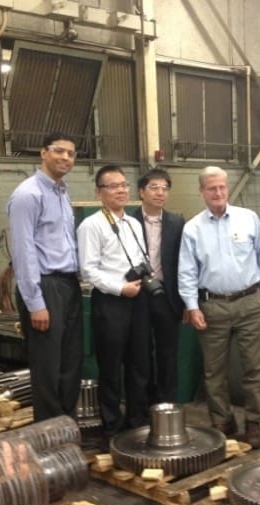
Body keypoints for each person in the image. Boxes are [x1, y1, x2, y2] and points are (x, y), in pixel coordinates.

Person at [178, 165, 260, 449]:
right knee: (214, 370)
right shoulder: (192, 228)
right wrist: (192, 306)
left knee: (256, 368)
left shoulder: (248, 219)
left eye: (222, 187)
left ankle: (254, 423)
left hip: (252, 304)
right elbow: (186, 272)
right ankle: (222, 421)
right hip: (213, 307)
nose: (218, 192)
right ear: (202, 192)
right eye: (212, 188)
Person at [7, 131, 83, 422]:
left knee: (70, 363)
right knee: (48, 367)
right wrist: (35, 302)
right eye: (59, 151)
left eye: (71, 153)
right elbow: (23, 251)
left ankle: (67, 427)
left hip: (68, 284)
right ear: (43, 153)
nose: (65, 157)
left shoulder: (62, 193)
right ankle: (50, 435)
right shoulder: (28, 195)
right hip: (45, 286)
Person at [77, 165, 152, 441]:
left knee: (139, 364)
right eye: (113, 186)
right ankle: (111, 426)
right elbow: (89, 271)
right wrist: (121, 289)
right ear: (99, 192)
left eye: (124, 185)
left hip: (138, 300)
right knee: (110, 367)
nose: (121, 190)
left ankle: (138, 420)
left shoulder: (133, 223)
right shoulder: (91, 225)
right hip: (110, 303)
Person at [131, 169, 185, 404]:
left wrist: (184, 302)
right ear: (141, 192)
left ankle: (167, 404)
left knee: (168, 353)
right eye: (154, 187)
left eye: (164, 188)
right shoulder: (128, 220)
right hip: (136, 294)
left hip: (166, 295)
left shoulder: (176, 222)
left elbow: (183, 263)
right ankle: (143, 407)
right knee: (140, 353)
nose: (160, 193)